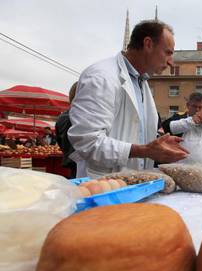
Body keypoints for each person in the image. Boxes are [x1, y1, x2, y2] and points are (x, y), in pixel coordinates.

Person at [68, 20, 188, 178]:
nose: (171, 62)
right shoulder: (101, 77)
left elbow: (134, 132)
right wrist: (144, 151)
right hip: (103, 187)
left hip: (134, 184)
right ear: (148, 44)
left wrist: (158, 142)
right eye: (168, 52)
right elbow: (87, 141)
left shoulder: (141, 83)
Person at [162, 92, 202, 165]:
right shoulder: (179, 117)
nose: (197, 109)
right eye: (194, 106)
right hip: (180, 166)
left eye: (200, 107)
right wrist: (190, 121)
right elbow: (167, 127)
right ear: (188, 105)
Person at [55, 82, 79, 178]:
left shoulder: (61, 118)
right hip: (81, 163)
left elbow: (59, 141)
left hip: (70, 162)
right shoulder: (79, 117)